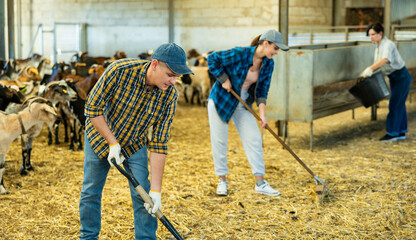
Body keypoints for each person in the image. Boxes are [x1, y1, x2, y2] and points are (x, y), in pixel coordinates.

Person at [78, 43, 193, 240]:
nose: (174, 81)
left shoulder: (169, 97)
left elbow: (159, 143)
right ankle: (88, 237)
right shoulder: (120, 71)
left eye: (178, 76)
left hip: (133, 143)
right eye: (170, 74)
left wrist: (156, 192)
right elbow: (92, 108)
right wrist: (112, 142)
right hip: (100, 136)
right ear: (155, 64)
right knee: (91, 190)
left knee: (144, 197)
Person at [207, 29, 289, 196]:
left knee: (254, 138)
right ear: (265, 44)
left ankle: (260, 183)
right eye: (275, 48)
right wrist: (224, 80)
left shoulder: (268, 63)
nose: (276, 52)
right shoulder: (240, 53)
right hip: (222, 100)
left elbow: (262, 90)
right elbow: (212, 59)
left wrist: (263, 116)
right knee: (220, 141)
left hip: (243, 103)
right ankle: (222, 180)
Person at [360, 23, 411, 142]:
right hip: (393, 77)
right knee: (399, 104)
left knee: (394, 103)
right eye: (370, 35)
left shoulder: (388, 44)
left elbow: (385, 59)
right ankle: (401, 132)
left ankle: (392, 133)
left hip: (401, 77)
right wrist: (370, 73)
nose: (371, 37)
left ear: (380, 33)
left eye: (373, 34)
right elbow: (379, 63)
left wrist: (370, 69)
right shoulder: (378, 46)